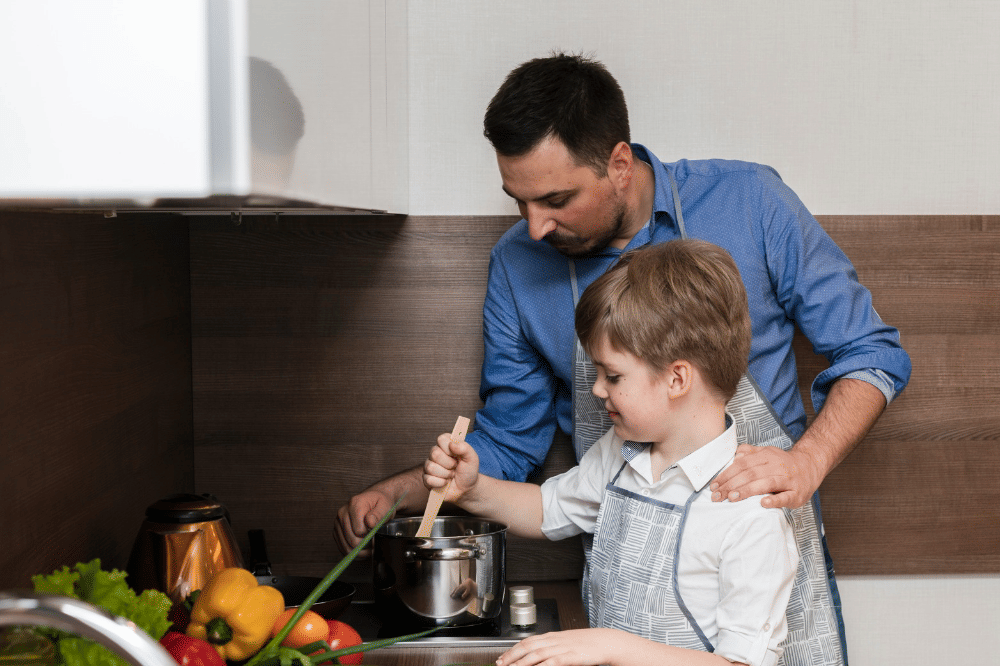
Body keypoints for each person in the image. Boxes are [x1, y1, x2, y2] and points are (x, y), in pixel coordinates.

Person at [335, 53, 911, 664]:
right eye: (518, 201)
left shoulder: (751, 203)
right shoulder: (518, 265)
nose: (535, 228)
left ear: (618, 164)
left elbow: (870, 352)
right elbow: (514, 442)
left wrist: (806, 463)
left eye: (556, 199)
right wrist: (414, 489)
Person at [425, 239, 798, 666]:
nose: (597, 389)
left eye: (613, 376)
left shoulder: (750, 514)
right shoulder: (620, 453)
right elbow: (547, 509)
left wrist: (611, 646)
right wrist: (472, 491)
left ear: (677, 379)